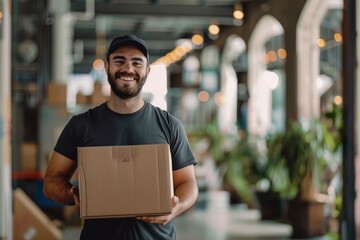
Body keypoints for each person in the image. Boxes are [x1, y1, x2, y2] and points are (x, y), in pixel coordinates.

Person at [43, 34, 199, 240]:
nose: (128, 69)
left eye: (137, 62)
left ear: (147, 71)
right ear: (107, 67)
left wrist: (175, 209)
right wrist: (74, 196)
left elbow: (188, 183)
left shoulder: (170, 125)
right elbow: (51, 181)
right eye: (119, 61)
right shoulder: (81, 126)